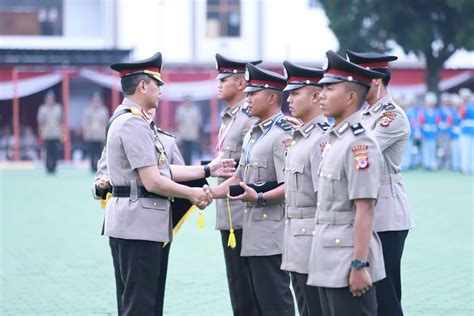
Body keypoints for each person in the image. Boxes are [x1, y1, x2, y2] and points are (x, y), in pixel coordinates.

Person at [102, 52, 234, 315]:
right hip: (138, 226)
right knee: (141, 306)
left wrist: (208, 168)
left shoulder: (127, 119)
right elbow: (153, 181)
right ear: (143, 86)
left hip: (134, 224)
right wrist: (194, 193)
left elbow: (161, 168)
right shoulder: (134, 123)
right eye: (157, 84)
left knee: (140, 303)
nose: (161, 91)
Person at [211, 63, 295, 315]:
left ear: (271, 98)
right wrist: (206, 194)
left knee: (275, 302)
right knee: (253, 300)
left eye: (252, 94)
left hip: (271, 231)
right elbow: (238, 177)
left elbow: (290, 186)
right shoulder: (255, 134)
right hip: (252, 230)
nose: (247, 100)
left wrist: (258, 196)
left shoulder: (282, 134)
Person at [306, 50, 386, 316]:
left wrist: (360, 264)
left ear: (351, 96)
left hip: (347, 260)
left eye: (329, 89)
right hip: (326, 257)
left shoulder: (359, 143)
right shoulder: (335, 139)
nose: (322, 95)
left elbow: (365, 208)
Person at [347, 50, 416, 316]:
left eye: (357, 80)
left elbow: (360, 149)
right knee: (366, 295)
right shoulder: (365, 114)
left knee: (385, 296)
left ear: (374, 81)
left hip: (387, 214)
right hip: (367, 210)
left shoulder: (391, 116)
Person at [213, 53, 260, 316]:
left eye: (225, 79)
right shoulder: (230, 116)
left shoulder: (247, 117)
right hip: (229, 213)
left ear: (241, 84)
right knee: (236, 285)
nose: (218, 83)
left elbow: (249, 166)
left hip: (243, 213)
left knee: (247, 289)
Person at [281, 61, 328, 316]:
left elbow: (326, 198)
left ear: (315, 95)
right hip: (295, 240)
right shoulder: (301, 136)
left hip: (312, 242)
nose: (289, 99)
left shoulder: (321, 138)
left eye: (296, 93)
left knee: (317, 309)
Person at [37, 90, 62, 173]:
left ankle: (54, 166)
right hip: (46, 133)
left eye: (52, 98)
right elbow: (40, 122)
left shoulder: (58, 108)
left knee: (54, 151)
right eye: (49, 98)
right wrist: (40, 133)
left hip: (55, 133)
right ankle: (48, 167)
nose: (50, 100)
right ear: (46, 99)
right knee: (47, 151)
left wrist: (61, 132)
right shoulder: (42, 109)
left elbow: (60, 122)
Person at [82, 91, 109, 172]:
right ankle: (92, 166)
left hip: (99, 136)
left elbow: (105, 123)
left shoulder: (103, 110)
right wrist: (85, 134)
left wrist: (104, 135)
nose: (96, 103)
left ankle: (99, 167)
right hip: (91, 135)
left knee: (100, 153)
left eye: (98, 101)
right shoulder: (88, 111)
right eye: (94, 101)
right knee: (92, 152)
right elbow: (85, 123)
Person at [175, 95, 202, 164]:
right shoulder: (180, 109)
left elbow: (197, 122)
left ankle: (189, 164)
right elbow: (178, 121)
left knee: (190, 151)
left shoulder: (195, 110)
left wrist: (197, 133)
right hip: (183, 134)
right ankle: (183, 164)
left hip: (192, 134)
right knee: (183, 150)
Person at [419, 92, 439, 170]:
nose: (431, 104)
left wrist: (436, 132)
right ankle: (426, 164)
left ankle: (432, 163)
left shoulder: (436, 112)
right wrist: (421, 133)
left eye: (432, 103)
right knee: (425, 148)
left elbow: (437, 123)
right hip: (425, 132)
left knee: (432, 148)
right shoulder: (423, 112)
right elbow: (420, 123)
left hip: (433, 133)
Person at [459, 88, 474, 175]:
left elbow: (461, 117)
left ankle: (465, 168)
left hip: (466, 130)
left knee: (466, 150)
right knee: (470, 150)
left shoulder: (464, 106)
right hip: (470, 130)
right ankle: (470, 168)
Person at [437, 93, 453, 169]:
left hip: (448, 131)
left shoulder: (450, 110)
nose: (446, 102)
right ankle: (440, 162)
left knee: (447, 148)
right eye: (444, 100)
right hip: (441, 131)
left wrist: (448, 124)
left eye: (447, 101)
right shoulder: (440, 109)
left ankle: (447, 162)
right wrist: (441, 124)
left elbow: (452, 120)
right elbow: (437, 119)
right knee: (440, 148)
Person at [449, 93, 462, 171]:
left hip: (461, 132)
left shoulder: (461, 110)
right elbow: (449, 122)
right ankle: (455, 165)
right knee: (454, 150)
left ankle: (460, 164)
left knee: (461, 150)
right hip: (454, 133)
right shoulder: (452, 112)